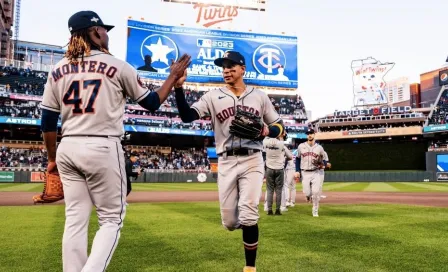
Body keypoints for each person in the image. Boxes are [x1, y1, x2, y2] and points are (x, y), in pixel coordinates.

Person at [39, 10, 191, 272]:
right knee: (111, 220)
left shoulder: (57, 70)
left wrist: (52, 158)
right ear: (95, 31)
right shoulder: (119, 66)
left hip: (68, 147)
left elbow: (47, 122)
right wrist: (172, 76)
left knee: (75, 220)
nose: (107, 34)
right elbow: (152, 103)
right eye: (104, 29)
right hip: (102, 145)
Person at [173, 51, 284, 272]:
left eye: (231, 66)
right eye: (223, 66)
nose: (226, 70)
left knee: (249, 212)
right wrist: (178, 88)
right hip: (226, 160)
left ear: (243, 69)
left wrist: (265, 129)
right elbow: (187, 116)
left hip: (253, 158)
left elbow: (280, 127)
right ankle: (245, 223)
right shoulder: (213, 96)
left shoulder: (259, 96)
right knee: (231, 223)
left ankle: (250, 267)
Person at [295, 128, 327, 217]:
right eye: (308, 133)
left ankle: (315, 210)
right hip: (305, 172)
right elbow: (297, 159)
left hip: (315, 172)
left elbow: (324, 160)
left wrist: (323, 164)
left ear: (314, 134)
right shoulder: (301, 146)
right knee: (307, 193)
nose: (309, 135)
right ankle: (308, 196)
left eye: (311, 133)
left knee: (316, 193)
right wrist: (297, 171)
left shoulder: (319, 148)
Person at [263, 130, 291, 215]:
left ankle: (269, 210)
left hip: (269, 168)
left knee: (269, 190)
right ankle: (278, 210)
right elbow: (290, 156)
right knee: (279, 190)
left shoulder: (265, 142)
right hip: (279, 169)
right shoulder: (281, 144)